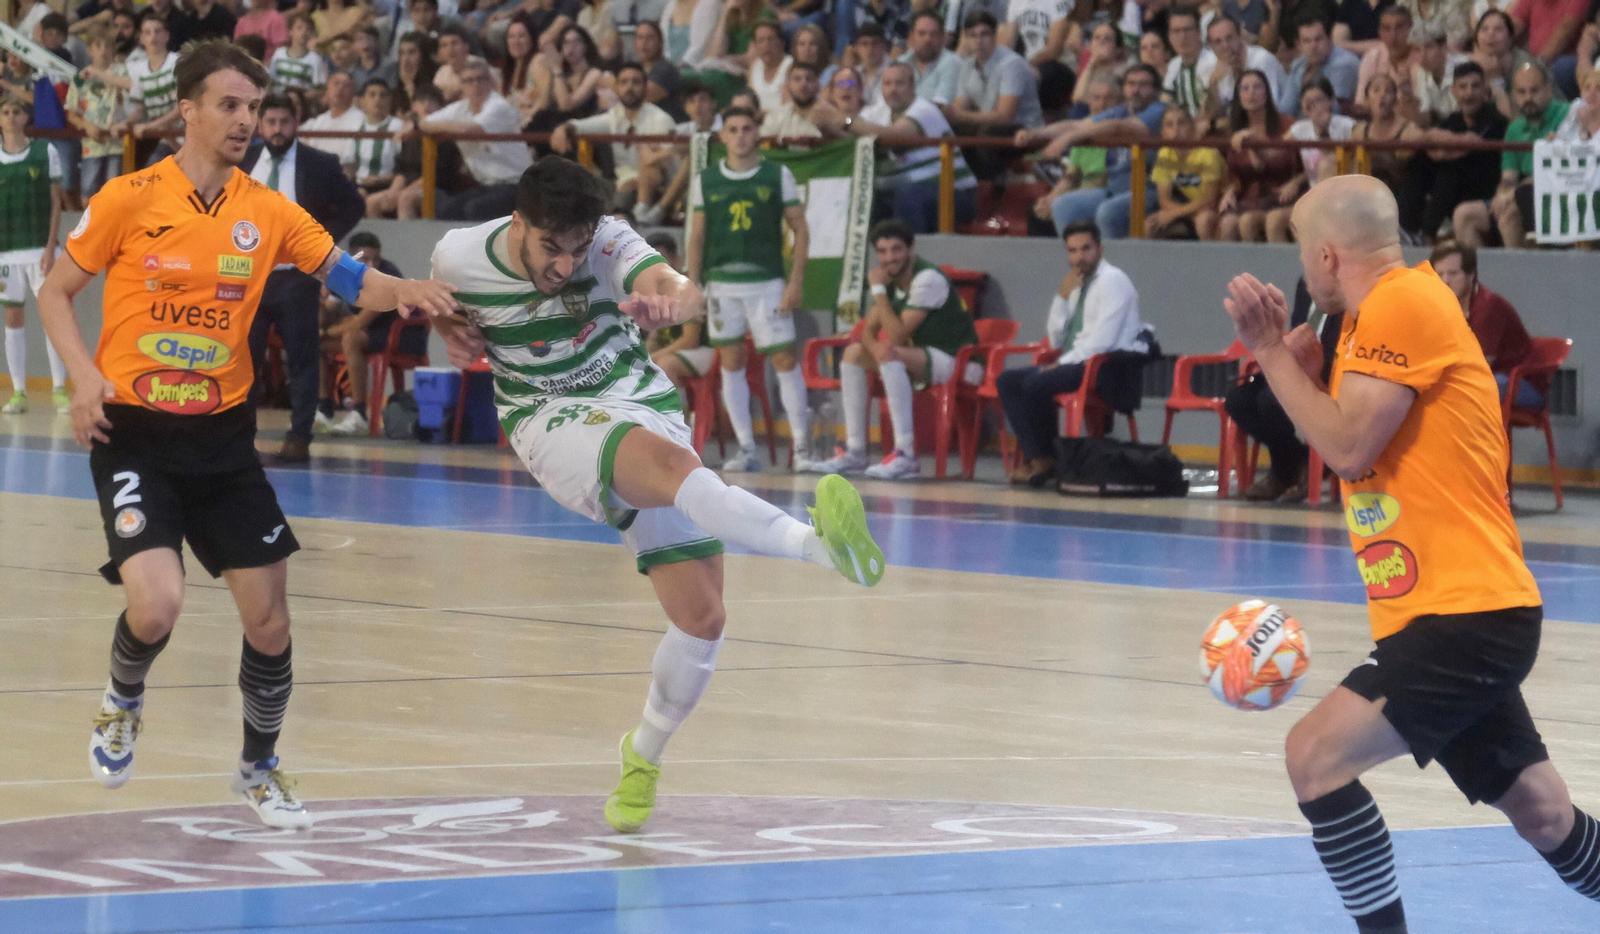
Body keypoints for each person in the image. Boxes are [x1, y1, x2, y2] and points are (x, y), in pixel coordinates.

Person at [36, 39, 454, 830]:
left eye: (253, 108)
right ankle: (123, 696)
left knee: (270, 620)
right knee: (156, 605)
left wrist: (413, 291)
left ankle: (258, 767)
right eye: (229, 105)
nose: (245, 121)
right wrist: (83, 377)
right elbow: (57, 292)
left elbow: (348, 275)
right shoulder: (128, 197)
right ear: (185, 110)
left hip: (222, 443)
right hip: (134, 435)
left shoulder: (267, 211)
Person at [427, 156, 885, 833]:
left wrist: (672, 297)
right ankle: (818, 548)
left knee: (702, 617)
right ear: (519, 223)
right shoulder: (459, 254)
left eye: (577, 249)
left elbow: (676, 285)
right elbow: (448, 304)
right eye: (552, 247)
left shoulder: (605, 240)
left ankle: (641, 756)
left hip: (635, 398)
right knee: (671, 466)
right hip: (548, 417)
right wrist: (449, 328)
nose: (565, 264)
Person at [1223, 171, 1600, 934]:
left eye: (1302, 254)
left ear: (1327, 255)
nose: (1301, 273)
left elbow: (1350, 445)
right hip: (1447, 612)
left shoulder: (1399, 303)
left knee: (1314, 757)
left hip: (1465, 614)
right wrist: (1286, 361)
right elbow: (1296, 422)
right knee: (1542, 811)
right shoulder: (1366, 320)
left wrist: (1271, 348)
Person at [686, 106, 815, 473]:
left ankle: (802, 448)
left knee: (784, 360)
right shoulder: (706, 180)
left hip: (768, 283)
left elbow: (800, 229)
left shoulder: (777, 174)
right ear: (722, 136)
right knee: (730, 361)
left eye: (747, 128)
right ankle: (747, 450)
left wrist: (796, 281)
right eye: (733, 129)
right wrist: (693, 285)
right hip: (721, 285)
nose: (740, 135)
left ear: (757, 133)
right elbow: (696, 235)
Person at [242, 93, 369, 464]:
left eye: (284, 122)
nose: (277, 130)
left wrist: (320, 243)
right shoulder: (242, 160)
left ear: (295, 123)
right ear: (260, 125)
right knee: (244, 359)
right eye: (271, 123)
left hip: (298, 276)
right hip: (250, 274)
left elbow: (355, 205)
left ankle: (299, 436)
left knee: (302, 357)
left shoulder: (318, 163)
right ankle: (241, 439)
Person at [811, 219, 980, 480]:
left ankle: (907, 455)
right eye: (882, 251)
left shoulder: (928, 279)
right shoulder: (891, 280)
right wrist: (876, 347)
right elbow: (866, 331)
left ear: (911, 249)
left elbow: (898, 335)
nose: (889, 258)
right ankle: (855, 451)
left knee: (889, 351)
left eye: (896, 249)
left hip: (961, 362)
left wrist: (878, 292)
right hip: (922, 358)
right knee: (853, 354)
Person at [996, 219, 1152, 486]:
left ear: (1100, 250)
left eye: (1085, 249)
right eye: (1073, 251)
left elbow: (1102, 342)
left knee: (1036, 382)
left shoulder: (1113, 281)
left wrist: (1059, 365)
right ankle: (1040, 459)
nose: (1079, 257)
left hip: (1106, 367)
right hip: (1075, 360)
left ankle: (1049, 458)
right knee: (1007, 381)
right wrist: (1061, 296)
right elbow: (1056, 338)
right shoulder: (1076, 284)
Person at [1226, 278, 1342, 502]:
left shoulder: (1346, 287)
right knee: (1238, 398)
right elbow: (1298, 327)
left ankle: (1295, 468)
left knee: (1270, 401)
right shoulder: (1305, 283)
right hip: (1299, 364)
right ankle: (1291, 461)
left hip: (1330, 368)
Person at [830, 60, 978, 232]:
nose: (893, 89)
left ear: (912, 85)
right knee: (863, 195)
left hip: (954, 194)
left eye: (899, 83)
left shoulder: (924, 109)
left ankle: (912, 254)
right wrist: (825, 123)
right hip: (899, 193)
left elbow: (894, 136)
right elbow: (851, 138)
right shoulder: (876, 112)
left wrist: (845, 120)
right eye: (887, 84)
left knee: (908, 193)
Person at [1024, 63, 1167, 238]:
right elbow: (1076, 124)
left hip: (1148, 191)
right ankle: (1077, 262)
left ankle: (1111, 264)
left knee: (1107, 212)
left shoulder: (1159, 110)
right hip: (1114, 189)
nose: (1136, 90)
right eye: (1131, 84)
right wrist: (1036, 133)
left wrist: (1069, 138)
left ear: (1156, 90)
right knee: (1063, 205)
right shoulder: (1119, 111)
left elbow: (1118, 127)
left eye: (1144, 85)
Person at [0, 94, 66, 416]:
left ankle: (59, 389)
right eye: (5, 111)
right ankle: (19, 392)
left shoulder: (45, 151)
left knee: (51, 317)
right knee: (13, 320)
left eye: (17, 111)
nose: (11, 117)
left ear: (26, 117)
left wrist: (51, 247)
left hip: (41, 250)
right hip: (5, 254)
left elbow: (57, 203)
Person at [1453, 62, 1567, 247]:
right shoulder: (1514, 129)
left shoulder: (1566, 116)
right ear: (1514, 95)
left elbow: (1554, 172)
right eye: (1521, 92)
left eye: (1534, 91)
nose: (1528, 97)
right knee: (1464, 214)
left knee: (1511, 213)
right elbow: (1509, 176)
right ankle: (1474, 276)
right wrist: (1502, 194)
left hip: (1554, 197)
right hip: (1518, 194)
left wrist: (1512, 195)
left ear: (1548, 90)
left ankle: (1518, 276)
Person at [323, 232, 422, 435]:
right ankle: (324, 409)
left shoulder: (387, 275)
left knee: (351, 338)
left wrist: (325, 331)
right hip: (375, 334)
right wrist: (318, 298)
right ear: (351, 259)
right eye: (365, 259)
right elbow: (327, 309)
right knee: (315, 343)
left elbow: (360, 323)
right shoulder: (343, 273)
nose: (372, 264)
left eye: (375, 258)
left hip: (405, 335)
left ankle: (359, 413)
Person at [552, 62, 678, 220]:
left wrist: (640, 181)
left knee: (622, 199)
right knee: (574, 183)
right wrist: (564, 127)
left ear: (646, 87)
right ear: (616, 88)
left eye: (636, 82)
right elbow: (581, 126)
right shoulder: (615, 115)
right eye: (624, 82)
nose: (629, 87)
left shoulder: (661, 119)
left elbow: (669, 165)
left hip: (649, 190)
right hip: (618, 182)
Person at [1397, 60, 1506, 238]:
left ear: (1485, 90)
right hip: (1457, 189)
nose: (1469, 93)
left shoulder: (1494, 118)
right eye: (1463, 87)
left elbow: (1467, 144)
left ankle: (1427, 235)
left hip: (1484, 189)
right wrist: (1436, 140)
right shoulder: (1453, 119)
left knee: (1451, 169)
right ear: (1454, 91)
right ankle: (1404, 230)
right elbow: (1431, 149)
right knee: (1418, 163)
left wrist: (1436, 141)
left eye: (1475, 86)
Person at [1430, 240, 1541, 407]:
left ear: (1471, 274)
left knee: (1462, 390)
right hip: (1487, 377)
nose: (1445, 281)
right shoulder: (1444, 306)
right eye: (1439, 274)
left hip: (1520, 382)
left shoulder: (1488, 307)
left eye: (1453, 273)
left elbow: (1478, 367)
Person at [423, 57, 533, 220]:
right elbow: (424, 123)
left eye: (480, 79)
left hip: (517, 184)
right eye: (469, 80)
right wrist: (449, 125)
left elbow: (473, 129)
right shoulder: (460, 108)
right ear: (462, 86)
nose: (475, 84)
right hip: (488, 185)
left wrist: (445, 126)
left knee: (475, 209)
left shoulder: (499, 106)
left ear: (490, 82)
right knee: (447, 209)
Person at [949, 10, 1045, 179]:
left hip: (1025, 131)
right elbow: (959, 108)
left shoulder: (1012, 64)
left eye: (984, 34)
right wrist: (947, 114)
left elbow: (1005, 116)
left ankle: (991, 191)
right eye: (973, 35)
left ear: (995, 35)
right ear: (966, 38)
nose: (979, 41)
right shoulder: (967, 66)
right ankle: (959, 189)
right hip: (990, 126)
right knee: (950, 131)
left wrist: (961, 116)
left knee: (989, 134)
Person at [1219, 69, 1299, 242]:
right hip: (1248, 198)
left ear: (1267, 92)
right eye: (1245, 89)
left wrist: (1252, 143)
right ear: (1238, 96)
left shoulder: (1287, 125)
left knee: (1247, 222)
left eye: (1257, 87)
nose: (1251, 93)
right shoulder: (1233, 130)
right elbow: (1231, 172)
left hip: (1279, 195)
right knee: (1227, 223)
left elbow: (1266, 164)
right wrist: (1229, 190)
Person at [1031, 72, 1118, 230]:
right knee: (1037, 212)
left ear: (1120, 102)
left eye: (1109, 98)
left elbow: (1103, 179)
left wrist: (1062, 199)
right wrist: (1050, 198)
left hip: (1106, 191)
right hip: (1080, 191)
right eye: (1097, 98)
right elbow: (1071, 175)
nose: (1102, 104)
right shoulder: (1082, 131)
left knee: (1064, 207)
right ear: (1089, 102)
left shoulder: (1120, 131)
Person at [370, 83, 468, 218]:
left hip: (439, 188)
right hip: (410, 186)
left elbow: (436, 173)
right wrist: (393, 190)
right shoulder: (410, 134)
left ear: (441, 107)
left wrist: (404, 191)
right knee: (372, 201)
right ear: (414, 106)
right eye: (421, 101)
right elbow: (402, 170)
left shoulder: (444, 135)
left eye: (432, 101)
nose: (426, 106)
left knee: (405, 199)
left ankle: (407, 239)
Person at [65, 27, 127, 203]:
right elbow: (71, 113)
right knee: (88, 192)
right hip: (91, 144)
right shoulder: (80, 79)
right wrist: (86, 125)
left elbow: (130, 89)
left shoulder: (122, 72)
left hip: (116, 142)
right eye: (98, 46)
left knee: (114, 191)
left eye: (108, 46)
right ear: (89, 50)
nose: (103, 51)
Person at [116, 13, 181, 169]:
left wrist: (151, 126)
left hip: (186, 133)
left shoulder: (178, 62)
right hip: (162, 137)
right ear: (141, 38)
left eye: (158, 31)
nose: (153, 37)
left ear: (167, 36)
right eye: (148, 32)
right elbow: (140, 109)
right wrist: (125, 124)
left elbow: (182, 107)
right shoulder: (138, 69)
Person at [1149, 105, 1224, 238]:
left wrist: (1174, 214)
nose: (1176, 130)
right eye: (1169, 125)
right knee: (1150, 225)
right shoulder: (1164, 154)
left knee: (1203, 220)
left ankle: (1210, 258)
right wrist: (1178, 213)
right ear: (1162, 132)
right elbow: (1164, 200)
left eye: (1182, 123)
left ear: (1193, 127)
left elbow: (1209, 200)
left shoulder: (1208, 153)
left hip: (1218, 209)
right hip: (1189, 209)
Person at [1206, 15, 1296, 116]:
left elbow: (1270, 108)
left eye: (1229, 38)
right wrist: (1213, 84)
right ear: (1211, 47)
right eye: (1218, 42)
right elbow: (1214, 115)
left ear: (1240, 36)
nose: (1225, 46)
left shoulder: (1261, 59)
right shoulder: (1217, 68)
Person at [1288, 75, 1359, 187]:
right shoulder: (1299, 129)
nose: (1313, 105)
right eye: (1308, 101)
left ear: (1331, 100)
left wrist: (1323, 128)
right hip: (1315, 193)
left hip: (1346, 190)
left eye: (1319, 100)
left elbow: (1337, 161)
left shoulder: (1348, 126)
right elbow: (1277, 152)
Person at [1509, 0, 1586, 98]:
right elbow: (1513, 27)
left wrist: (1539, 64)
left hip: (1566, 61)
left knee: (1562, 68)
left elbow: (1566, 30)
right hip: (1536, 59)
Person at [1290, 17, 1362, 115]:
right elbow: (1286, 108)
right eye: (1307, 41)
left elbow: (1332, 112)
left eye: (1318, 39)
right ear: (1299, 45)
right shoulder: (1298, 64)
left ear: (1329, 39)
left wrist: (1309, 78)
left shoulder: (1344, 64)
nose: (1313, 46)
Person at [1355, 5, 1421, 111]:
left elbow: (1421, 110)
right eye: (1386, 29)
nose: (1393, 36)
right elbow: (1361, 105)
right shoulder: (1372, 57)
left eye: (1399, 28)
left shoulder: (1423, 60)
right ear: (1379, 32)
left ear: (1411, 29)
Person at [301, 70, 365, 172]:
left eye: (347, 85)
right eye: (336, 83)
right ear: (327, 89)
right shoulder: (318, 121)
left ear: (353, 93)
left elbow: (350, 163)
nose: (340, 88)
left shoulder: (360, 120)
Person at [351, 79, 406, 194]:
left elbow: (404, 166)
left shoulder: (397, 126)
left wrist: (381, 179)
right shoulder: (356, 126)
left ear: (390, 100)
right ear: (362, 101)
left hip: (387, 186)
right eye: (372, 95)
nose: (378, 100)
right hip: (358, 184)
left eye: (383, 95)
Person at [900, 11, 963, 104]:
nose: (927, 39)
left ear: (942, 37)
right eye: (921, 33)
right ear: (911, 36)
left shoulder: (952, 63)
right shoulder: (902, 63)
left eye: (933, 34)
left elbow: (940, 104)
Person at [1164, 6, 1215, 117]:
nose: (1183, 37)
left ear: (1199, 32)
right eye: (1176, 31)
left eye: (1188, 30)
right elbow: (1165, 101)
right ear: (1169, 36)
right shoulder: (1173, 65)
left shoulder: (1213, 62)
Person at [761, 60, 826, 138]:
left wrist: (832, 128)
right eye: (797, 79)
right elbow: (764, 144)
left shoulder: (830, 115)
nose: (803, 84)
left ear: (818, 86)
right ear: (788, 87)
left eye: (809, 79)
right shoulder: (775, 117)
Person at [270, 14, 330, 93]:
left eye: (308, 29)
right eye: (299, 28)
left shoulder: (315, 59)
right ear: (290, 31)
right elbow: (270, 80)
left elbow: (319, 88)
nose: (304, 32)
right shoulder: (279, 53)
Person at [745, 21, 792, 113]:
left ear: (781, 43)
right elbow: (750, 101)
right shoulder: (754, 67)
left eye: (771, 39)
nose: (766, 45)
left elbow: (790, 108)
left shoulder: (790, 66)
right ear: (755, 46)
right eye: (761, 41)